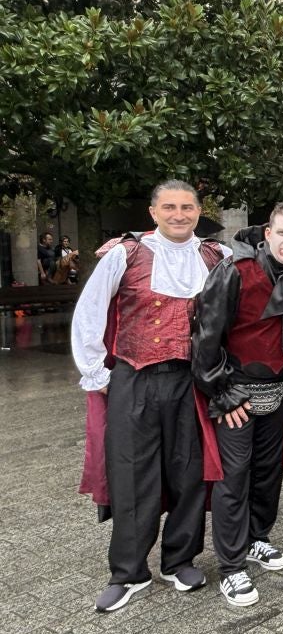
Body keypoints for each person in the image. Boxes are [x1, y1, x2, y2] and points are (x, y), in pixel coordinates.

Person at [72, 180, 228, 612]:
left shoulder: (217, 256)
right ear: (154, 211)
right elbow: (90, 312)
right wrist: (94, 371)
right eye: (170, 207)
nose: (179, 214)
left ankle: (179, 560)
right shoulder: (125, 254)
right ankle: (128, 571)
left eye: (187, 207)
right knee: (132, 474)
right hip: (135, 378)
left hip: (191, 380)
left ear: (198, 212)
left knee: (189, 472)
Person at [191, 202, 283, 607]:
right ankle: (231, 566)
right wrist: (222, 393)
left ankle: (258, 537)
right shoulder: (234, 272)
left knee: (266, 472)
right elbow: (206, 338)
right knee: (233, 478)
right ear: (268, 234)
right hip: (236, 392)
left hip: (278, 390)